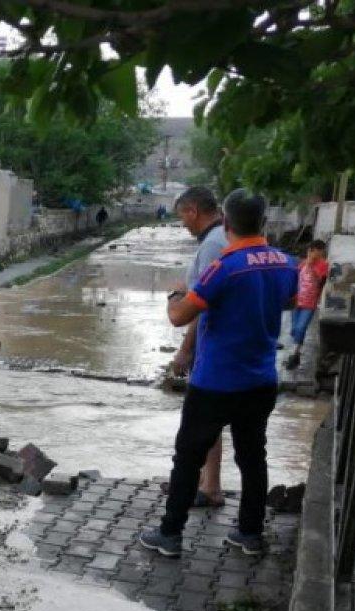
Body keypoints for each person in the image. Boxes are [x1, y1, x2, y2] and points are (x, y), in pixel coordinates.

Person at [140, 189, 298, 558]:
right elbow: (295, 300)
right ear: (263, 222)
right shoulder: (286, 263)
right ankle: (249, 534)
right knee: (253, 458)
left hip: (214, 383)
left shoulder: (224, 267)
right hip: (260, 380)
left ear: (226, 223)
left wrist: (175, 295)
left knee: (187, 458)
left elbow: (180, 317)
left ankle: (170, 535)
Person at [169, 186, 227, 508]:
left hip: (211, 346)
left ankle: (200, 489)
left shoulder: (212, 245)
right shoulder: (223, 239)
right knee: (217, 423)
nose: (182, 224)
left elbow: (199, 306)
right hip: (230, 347)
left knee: (200, 425)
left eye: (182, 216)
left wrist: (185, 350)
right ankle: (210, 483)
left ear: (193, 210)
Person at [285, 239, 329, 370]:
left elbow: (320, 280)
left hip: (310, 303)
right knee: (294, 330)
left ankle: (295, 353)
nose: (316, 254)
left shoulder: (322, 265)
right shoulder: (302, 264)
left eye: (318, 251)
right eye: (313, 251)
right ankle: (296, 353)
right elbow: (295, 279)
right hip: (297, 301)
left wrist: (311, 265)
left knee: (301, 328)